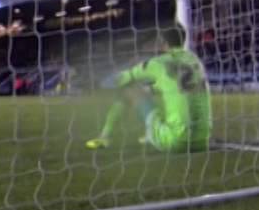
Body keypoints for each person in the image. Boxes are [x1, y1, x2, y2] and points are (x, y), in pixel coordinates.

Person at [86, 25, 212, 153]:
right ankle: (149, 133)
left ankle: (104, 137)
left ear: (163, 42)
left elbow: (122, 79)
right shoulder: (194, 60)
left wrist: (100, 82)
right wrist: (150, 89)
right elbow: (172, 85)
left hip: (175, 142)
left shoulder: (157, 63)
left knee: (130, 88)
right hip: (202, 141)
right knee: (157, 92)